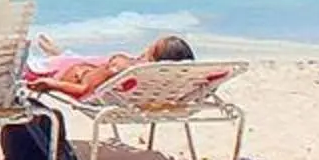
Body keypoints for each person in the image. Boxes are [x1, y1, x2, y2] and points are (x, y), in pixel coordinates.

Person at [23, 33, 195, 101]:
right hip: (84, 71)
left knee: (20, 60)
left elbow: (84, 91)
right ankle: (60, 54)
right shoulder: (163, 83)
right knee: (81, 61)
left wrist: (52, 84)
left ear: (153, 55)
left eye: (148, 50)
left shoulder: (122, 67)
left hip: (57, 73)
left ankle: (60, 56)